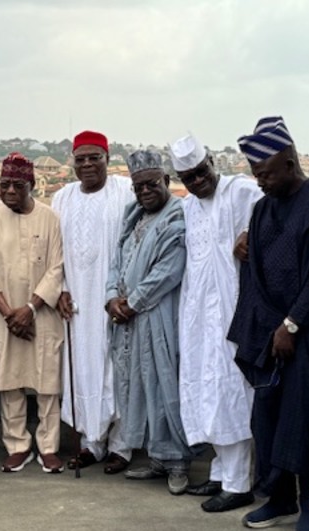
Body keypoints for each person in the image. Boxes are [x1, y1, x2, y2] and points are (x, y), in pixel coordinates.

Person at [229, 117, 309, 531]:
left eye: (267, 174)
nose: (261, 182)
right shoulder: (262, 208)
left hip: (307, 331)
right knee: (268, 417)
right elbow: (255, 272)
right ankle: (279, 498)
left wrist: (292, 324)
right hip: (269, 331)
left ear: (290, 163)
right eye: (256, 175)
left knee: (305, 418)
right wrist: (267, 327)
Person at [169, 134, 262, 512]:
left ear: (211, 162)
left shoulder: (241, 191)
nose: (197, 181)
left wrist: (250, 234)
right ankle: (222, 474)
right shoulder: (189, 206)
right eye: (188, 177)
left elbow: (272, 214)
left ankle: (240, 484)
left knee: (230, 391)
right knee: (205, 389)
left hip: (233, 310)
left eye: (201, 172)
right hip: (198, 314)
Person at [106, 150, 191, 495]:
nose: (144, 191)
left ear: (166, 181)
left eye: (151, 184)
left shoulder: (177, 217)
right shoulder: (133, 216)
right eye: (138, 186)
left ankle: (178, 463)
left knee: (164, 386)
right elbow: (116, 261)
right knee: (140, 387)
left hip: (158, 317)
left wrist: (132, 303)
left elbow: (169, 270)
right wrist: (111, 297)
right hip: (128, 321)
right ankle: (157, 458)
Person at [0, 153, 65, 473]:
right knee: (9, 381)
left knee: (48, 383)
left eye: (17, 185)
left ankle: (49, 447)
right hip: (4, 316)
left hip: (43, 314)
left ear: (32, 185)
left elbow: (56, 269)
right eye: (4, 185)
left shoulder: (50, 218)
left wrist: (29, 309)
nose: (10, 191)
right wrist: (10, 315)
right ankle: (17, 445)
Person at [52, 130, 134, 474]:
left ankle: (121, 446)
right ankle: (91, 443)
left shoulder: (125, 191)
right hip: (76, 303)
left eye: (94, 158)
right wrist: (60, 288)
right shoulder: (62, 198)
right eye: (80, 159)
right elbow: (54, 251)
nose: (87, 164)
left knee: (116, 370)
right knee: (82, 369)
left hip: (115, 299)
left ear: (107, 159)